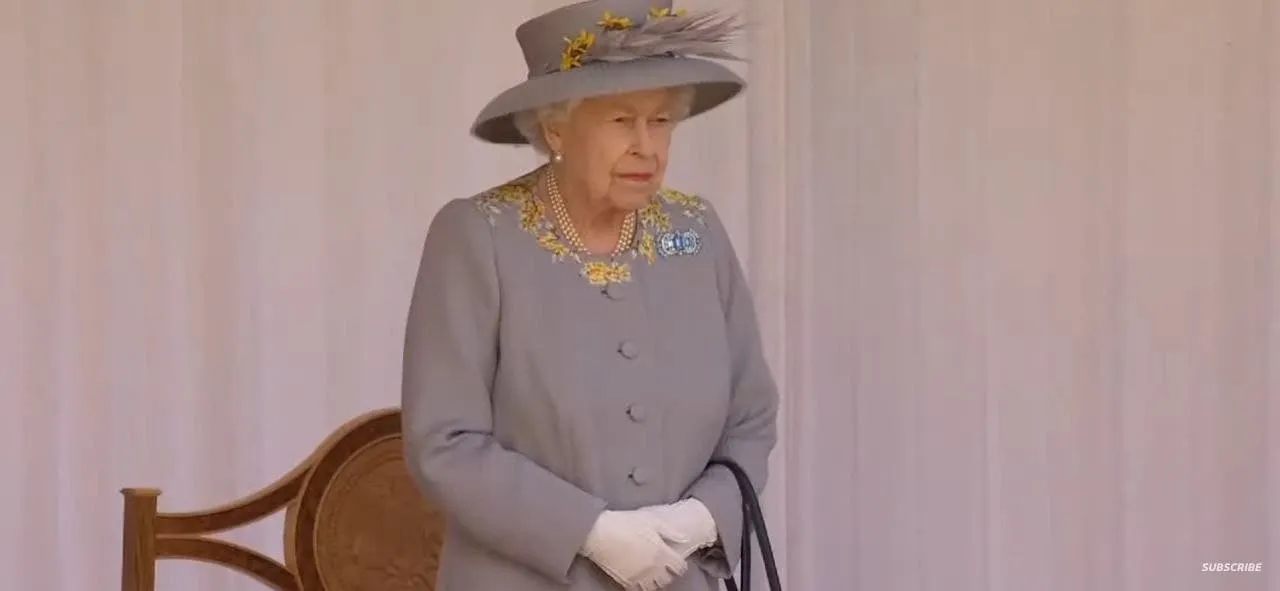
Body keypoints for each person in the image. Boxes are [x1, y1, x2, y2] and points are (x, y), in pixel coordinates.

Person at [400, 1, 779, 589]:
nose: (647, 146)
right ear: (556, 128)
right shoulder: (479, 236)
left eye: (661, 121)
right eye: (621, 121)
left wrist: (701, 519)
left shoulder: (695, 230)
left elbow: (751, 415)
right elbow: (444, 442)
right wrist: (590, 532)